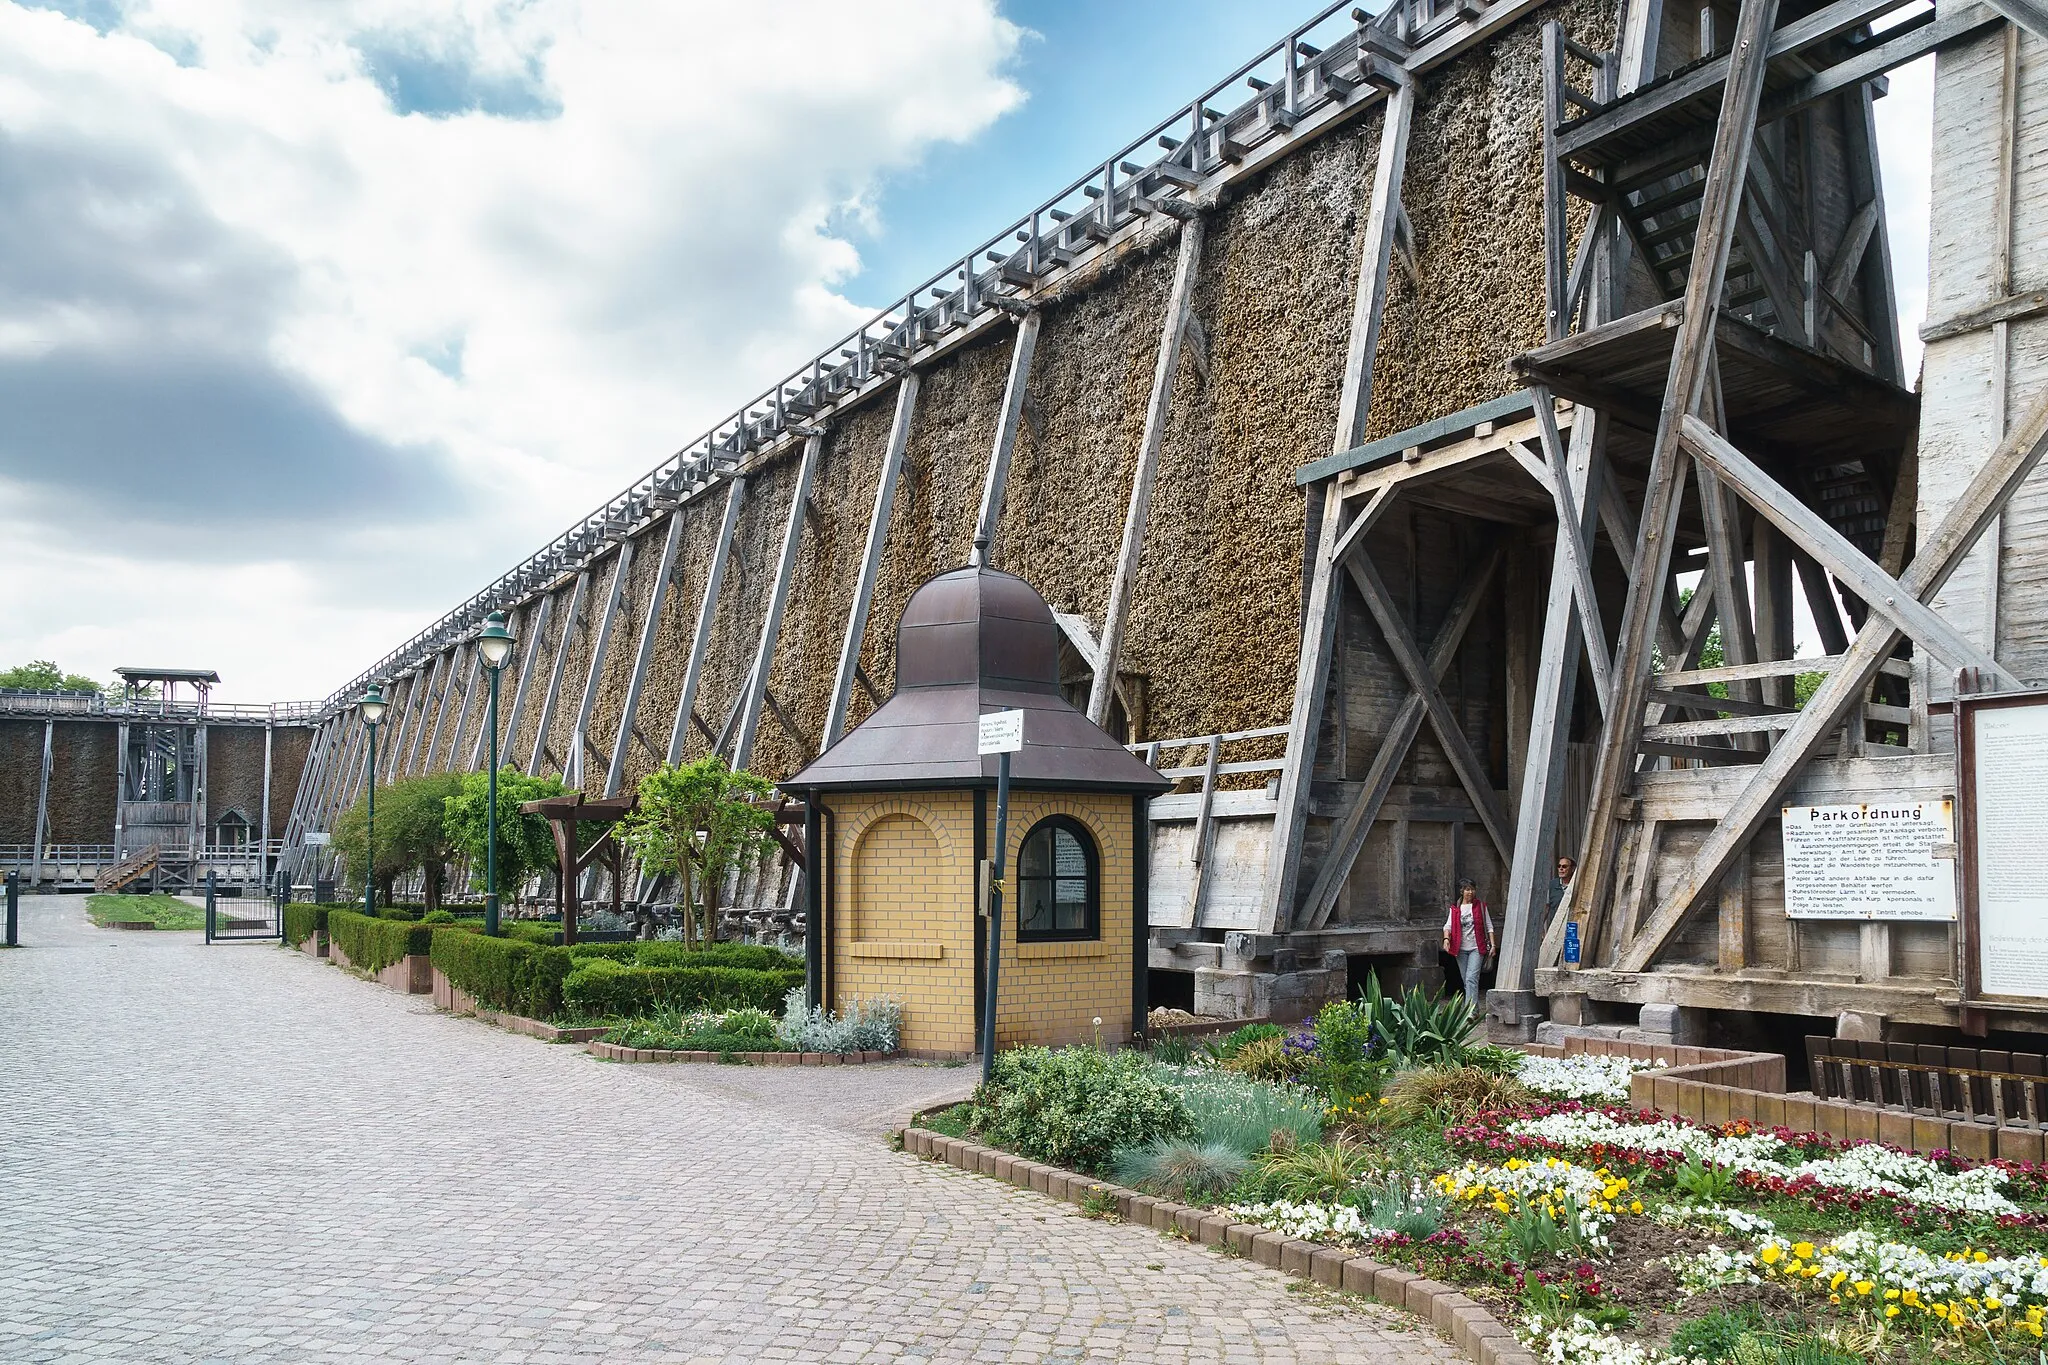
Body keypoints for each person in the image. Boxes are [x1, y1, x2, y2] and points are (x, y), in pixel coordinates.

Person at [1441, 879, 1494, 1008]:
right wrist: (1446, 940)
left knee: (1471, 978)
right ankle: (1472, 1009)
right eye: (1467, 889)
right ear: (1462, 891)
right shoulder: (1455, 909)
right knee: (1467, 980)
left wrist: (1493, 945)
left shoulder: (1480, 906)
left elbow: (1489, 926)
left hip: (1477, 947)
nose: (1470, 892)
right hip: (1460, 949)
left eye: (1472, 889)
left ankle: (1470, 1011)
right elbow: (1447, 926)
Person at [1548, 856, 1577, 920]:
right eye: (1559, 866)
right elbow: (1546, 907)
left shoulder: (1577, 885)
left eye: (1564, 866)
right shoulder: (1552, 885)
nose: (1561, 868)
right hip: (1555, 925)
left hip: (1571, 925)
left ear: (1572, 869)